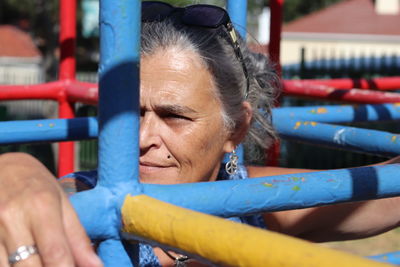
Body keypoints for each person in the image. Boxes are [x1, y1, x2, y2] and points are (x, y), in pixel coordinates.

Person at [1, 1, 399, 266]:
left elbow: (389, 196)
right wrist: (16, 170)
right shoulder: (90, 202)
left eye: (174, 116)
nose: (141, 138)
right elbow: (44, 198)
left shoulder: (254, 203)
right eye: (128, 113)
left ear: (235, 129)